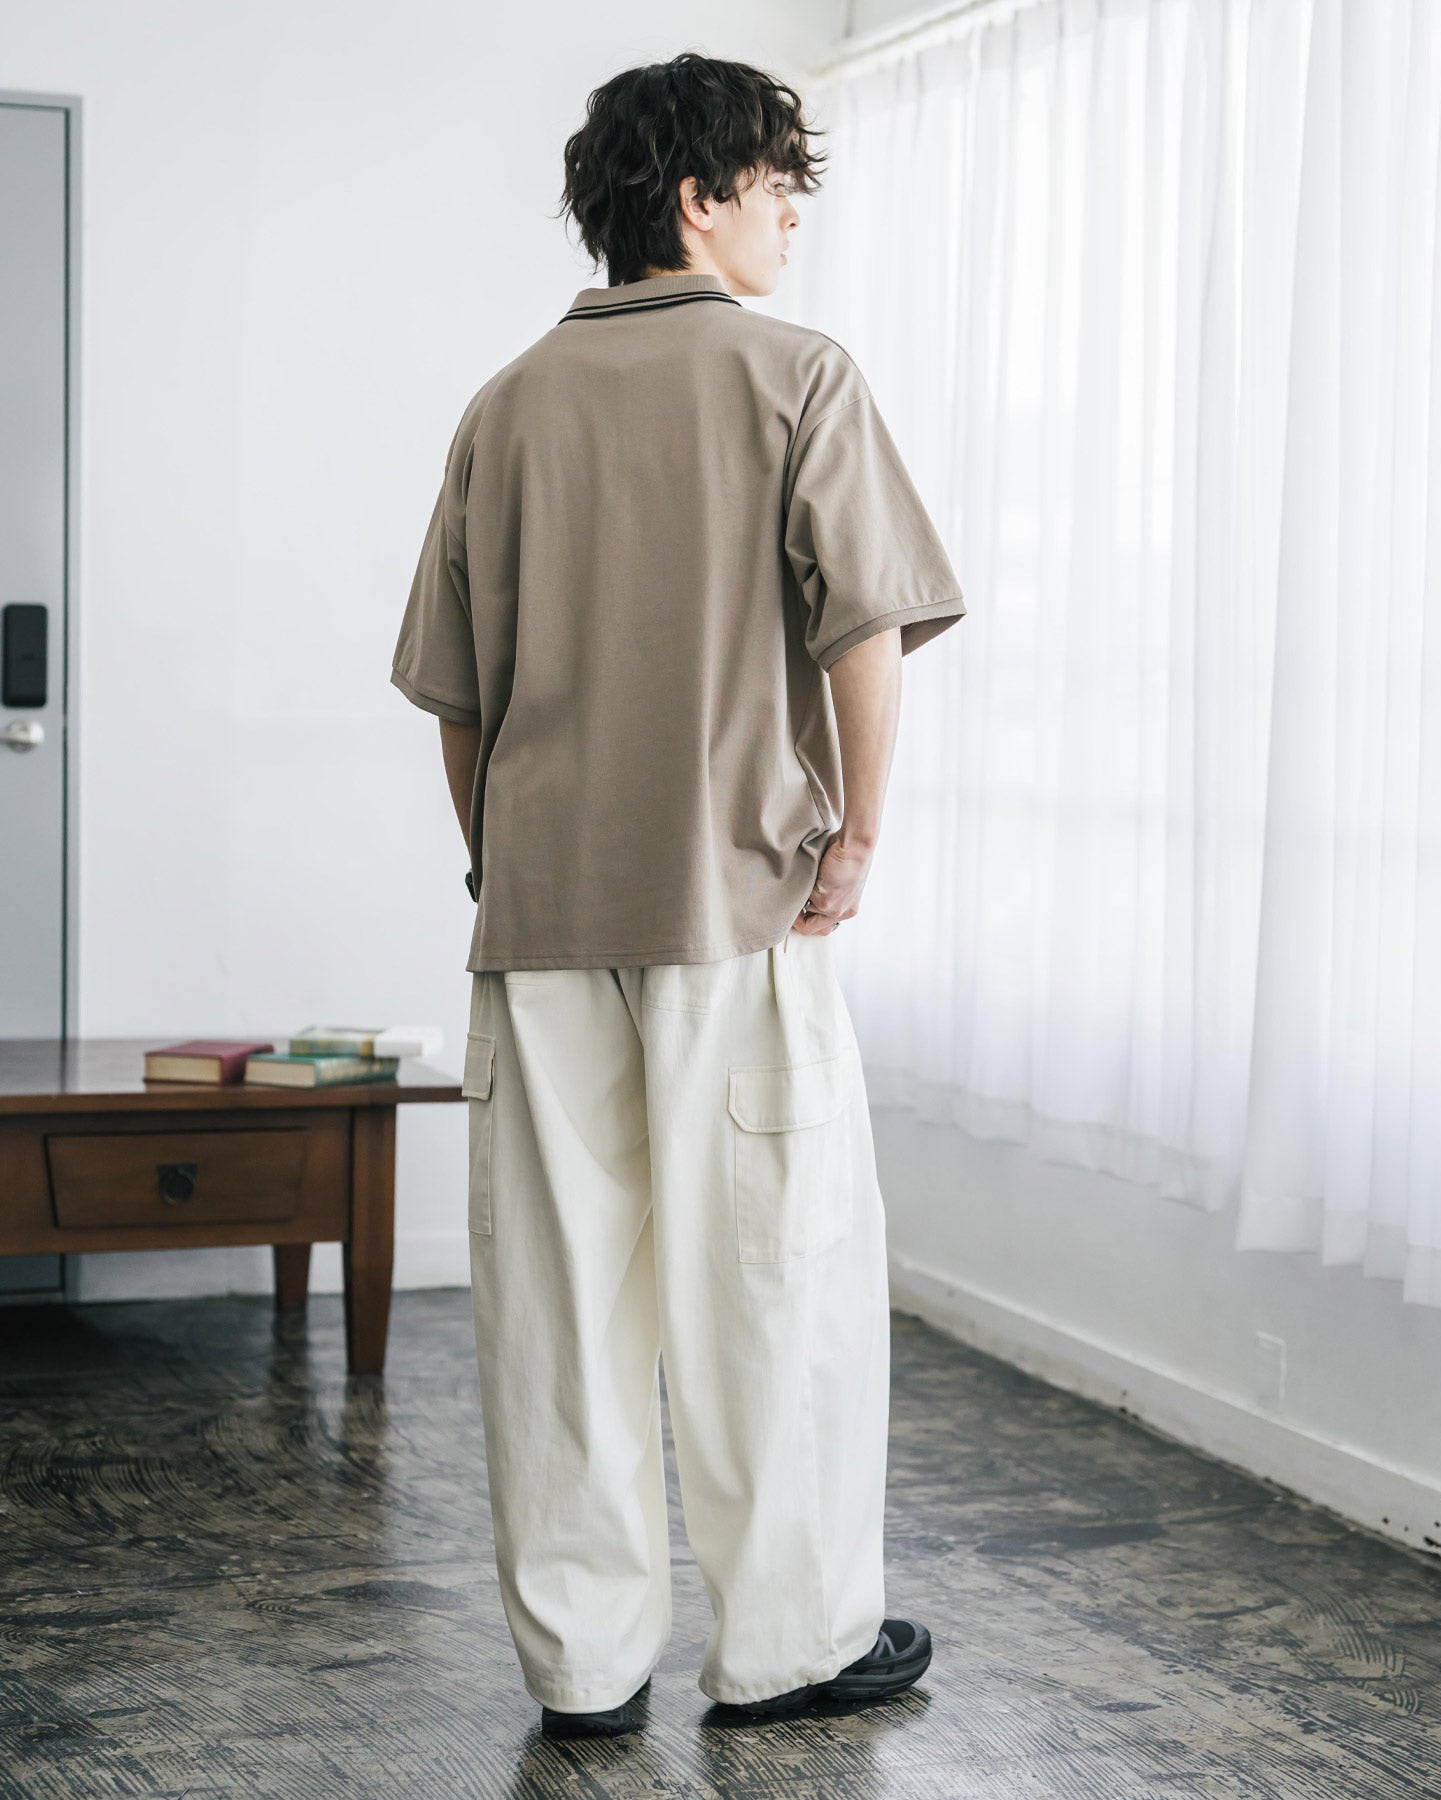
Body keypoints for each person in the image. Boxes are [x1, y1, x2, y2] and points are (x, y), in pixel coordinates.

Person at [388, 50, 966, 1740]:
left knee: (558, 1306)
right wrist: (857, 835)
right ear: (700, 198)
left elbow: (458, 701)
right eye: (775, 186)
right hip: (738, 914)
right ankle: (788, 1647)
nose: (791, 217)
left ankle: (582, 1669)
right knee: (770, 1283)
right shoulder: (797, 375)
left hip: (542, 929)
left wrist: (505, 862)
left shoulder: (504, 406)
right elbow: (863, 629)